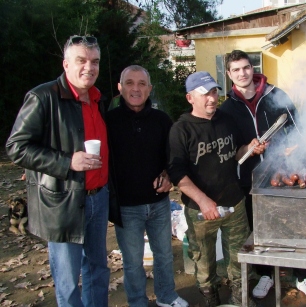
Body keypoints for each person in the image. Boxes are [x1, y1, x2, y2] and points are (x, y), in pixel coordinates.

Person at [5, 35, 110, 306]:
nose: (89, 67)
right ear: (66, 64)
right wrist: (67, 162)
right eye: (81, 60)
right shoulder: (43, 97)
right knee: (68, 281)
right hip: (62, 202)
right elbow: (16, 147)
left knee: (97, 270)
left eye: (95, 61)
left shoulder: (99, 98)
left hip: (98, 198)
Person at [220, 50, 306, 302]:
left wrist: (293, 147)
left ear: (252, 68)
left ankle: (301, 276)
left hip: (285, 171)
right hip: (251, 177)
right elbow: (231, 149)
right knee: (260, 226)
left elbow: (299, 129)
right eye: (236, 70)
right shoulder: (227, 108)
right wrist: (247, 149)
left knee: (294, 224)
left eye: (246, 67)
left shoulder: (276, 95)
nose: (242, 73)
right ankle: (265, 273)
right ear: (229, 74)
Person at [167, 71, 263, 307]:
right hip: (200, 210)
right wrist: (203, 201)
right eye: (204, 94)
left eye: (213, 92)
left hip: (234, 201)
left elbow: (237, 153)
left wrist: (249, 148)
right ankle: (211, 298)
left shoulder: (226, 119)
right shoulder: (181, 130)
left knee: (240, 256)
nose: (211, 98)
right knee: (203, 260)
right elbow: (177, 174)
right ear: (190, 98)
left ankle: (241, 299)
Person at [106, 65, 189, 307]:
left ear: (149, 88)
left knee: (163, 255)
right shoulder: (108, 121)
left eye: (142, 83)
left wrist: (168, 175)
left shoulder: (161, 120)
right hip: (126, 206)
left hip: (159, 204)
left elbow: (173, 156)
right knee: (132, 262)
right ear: (120, 88)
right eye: (129, 83)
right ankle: (137, 302)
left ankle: (166, 296)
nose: (136, 88)